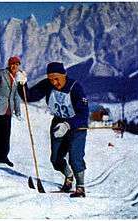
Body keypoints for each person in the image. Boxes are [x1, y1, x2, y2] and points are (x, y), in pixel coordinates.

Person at [17, 62, 89, 197]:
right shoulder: (47, 84)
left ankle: (80, 187)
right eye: (51, 79)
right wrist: (22, 84)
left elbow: (83, 113)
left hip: (76, 125)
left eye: (57, 79)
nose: (54, 82)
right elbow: (30, 96)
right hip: (58, 121)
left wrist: (68, 125)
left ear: (64, 75)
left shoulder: (75, 87)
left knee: (75, 157)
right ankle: (69, 176)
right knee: (55, 159)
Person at [0, 56, 22, 167]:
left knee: (6, 134)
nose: (14, 66)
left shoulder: (18, 78)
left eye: (17, 64)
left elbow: (16, 96)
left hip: (8, 109)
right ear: (9, 64)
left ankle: (4, 155)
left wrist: (17, 110)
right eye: (12, 64)